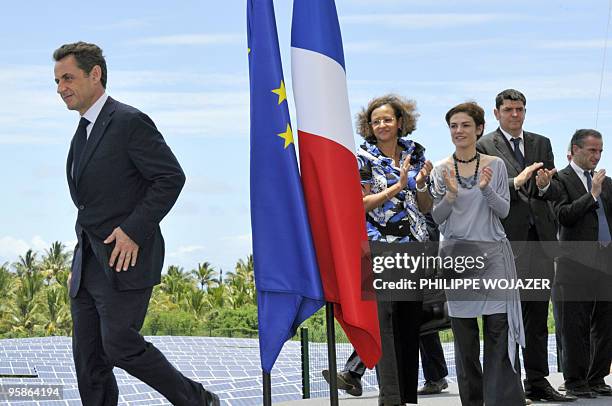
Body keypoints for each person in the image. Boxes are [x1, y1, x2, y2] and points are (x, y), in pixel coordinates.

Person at [54, 42, 219, 406]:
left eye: (68, 77)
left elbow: (170, 178)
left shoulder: (128, 121)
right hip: (88, 267)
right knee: (89, 360)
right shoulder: (82, 132)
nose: (61, 88)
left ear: (94, 74)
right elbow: (89, 207)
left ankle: (198, 401)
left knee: (119, 345)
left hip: (125, 260)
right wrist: (78, 263)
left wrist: (132, 230)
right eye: (57, 81)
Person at [476, 89, 574, 402]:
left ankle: (537, 380)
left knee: (536, 316)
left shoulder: (541, 143)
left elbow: (555, 188)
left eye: (519, 109)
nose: (515, 115)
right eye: (508, 110)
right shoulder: (483, 145)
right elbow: (483, 190)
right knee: (505, 316)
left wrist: (545, 185)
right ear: (496, 113)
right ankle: (511, 383)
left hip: (541, 242)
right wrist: (517, 182)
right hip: (505, 242)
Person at [336, 94, 432, 405]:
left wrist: (419, 186)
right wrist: (397, 187)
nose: (382, 125)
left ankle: (406, 397)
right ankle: (390, 398)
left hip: (415, 247)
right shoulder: (362, 158)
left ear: (401, 122)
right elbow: (360, 204)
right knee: (385, 324)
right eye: (376, 121)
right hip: (379, 248)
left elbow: (426, 206)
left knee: (409, 325)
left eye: (388, 119)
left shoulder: (417, 154)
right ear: (369, 126)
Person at [430, 101, 525, 405]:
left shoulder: (495, 166)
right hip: (459, 258)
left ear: (479, 128)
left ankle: (500, 400)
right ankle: (472, 401)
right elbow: (438, 218)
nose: (459, 131)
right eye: (454, 126)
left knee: (499, 332)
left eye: (465, 125)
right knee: (466, 337)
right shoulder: (442, 169)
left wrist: (485, 188)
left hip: (494, 257)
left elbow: (505, 210)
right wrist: (451, 195)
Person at [554, 129, 612, 398]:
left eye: (600, 150)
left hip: (606, 263)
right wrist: (591, 195)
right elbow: (563, 216)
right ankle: (576, 381)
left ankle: (597, 377)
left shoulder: (607, 183)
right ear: (575, 149)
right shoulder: (560, 179)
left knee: (605, 324)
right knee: (574, 326)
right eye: (592, 150)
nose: (597, 156)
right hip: (575, 264)